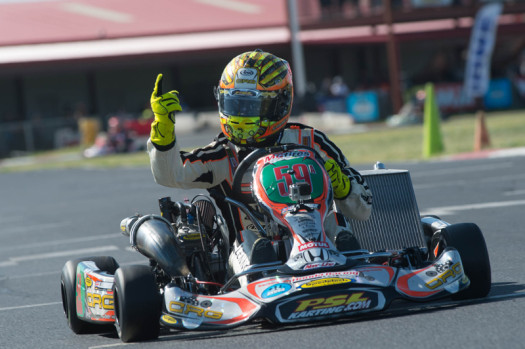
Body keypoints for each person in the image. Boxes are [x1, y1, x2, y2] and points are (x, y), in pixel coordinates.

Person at [147, 49, 372, 267]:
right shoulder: (223, 154)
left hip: (321, 246)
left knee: (337, 224)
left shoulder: (311, 141)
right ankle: (259, 274)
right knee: (251, 244)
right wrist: (163, 132)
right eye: (234, 105)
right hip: (254, 259)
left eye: (249, 107)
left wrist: (343, 186)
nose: (239, 116)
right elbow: (171, 174)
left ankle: (352, 263)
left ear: (279, 104)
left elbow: (364, 209)